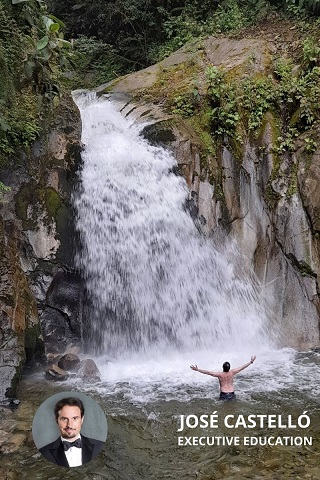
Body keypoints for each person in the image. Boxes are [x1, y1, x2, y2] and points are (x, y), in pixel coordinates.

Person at [39, 397, 105, 467]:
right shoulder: (44, 453)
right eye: (64, 419)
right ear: (56, 421)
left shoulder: (100, 447)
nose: (69, 425)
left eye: (74, 418)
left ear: (82, 419)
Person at [190, 356, 256, 400]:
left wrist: (198, 370)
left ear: (223, 367)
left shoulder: (220, 375)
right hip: (232, 393)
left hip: (223, 394)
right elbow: (242, 367)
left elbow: (208, 372)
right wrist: (251, 362)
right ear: (229, 368)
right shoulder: (232, 372)